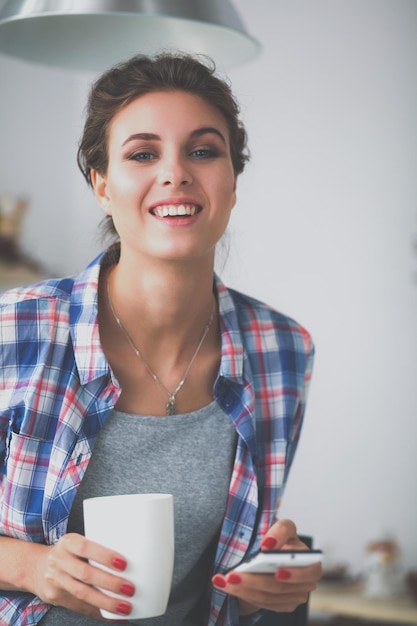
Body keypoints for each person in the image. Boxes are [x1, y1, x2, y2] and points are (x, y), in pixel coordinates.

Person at [0, 53, 321, 626]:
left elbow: (230, 580)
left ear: (233, 181)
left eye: (203, 150)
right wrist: (27, 566)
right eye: (143, 153)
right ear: (101, 185)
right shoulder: (14, 329)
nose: (175, 173)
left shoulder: (283, 350)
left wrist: (268, 585)